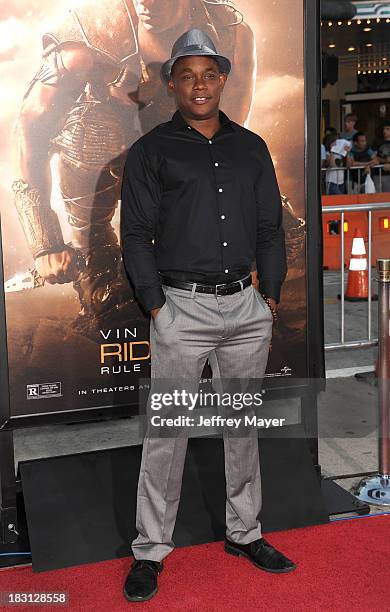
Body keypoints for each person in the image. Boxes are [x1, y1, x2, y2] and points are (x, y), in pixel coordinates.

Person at [120, 28, 296, 603]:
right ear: (171, 83)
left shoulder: (251, 148)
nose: (200, 85)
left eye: (210, 74)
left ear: (223, 79)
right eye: (187, 75)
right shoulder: (151, 152)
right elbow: (137, 236)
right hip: (180, 309)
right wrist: (156, 305)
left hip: (245, 309)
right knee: (167, 435)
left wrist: (268, 295)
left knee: (241, 429)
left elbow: (270, 227)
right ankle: (150, 549)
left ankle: (245, 533)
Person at [12, 0, 255, 335]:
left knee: (280, 247)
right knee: (117, 312)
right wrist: (46, 242)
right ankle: (94, 250)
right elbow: (29, 131)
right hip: (98, 169)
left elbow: (229, 131)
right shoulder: (82, 42)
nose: (147, 3)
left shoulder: (230, 33)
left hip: (179, 174)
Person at [373, 121, 390, 193]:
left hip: (388, 175)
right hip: (378, 173)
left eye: (387, 129)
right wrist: (385, 161)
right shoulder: (377, 141)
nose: (384, 131)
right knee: (377, 197)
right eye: (384, 129)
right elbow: (373, 156)